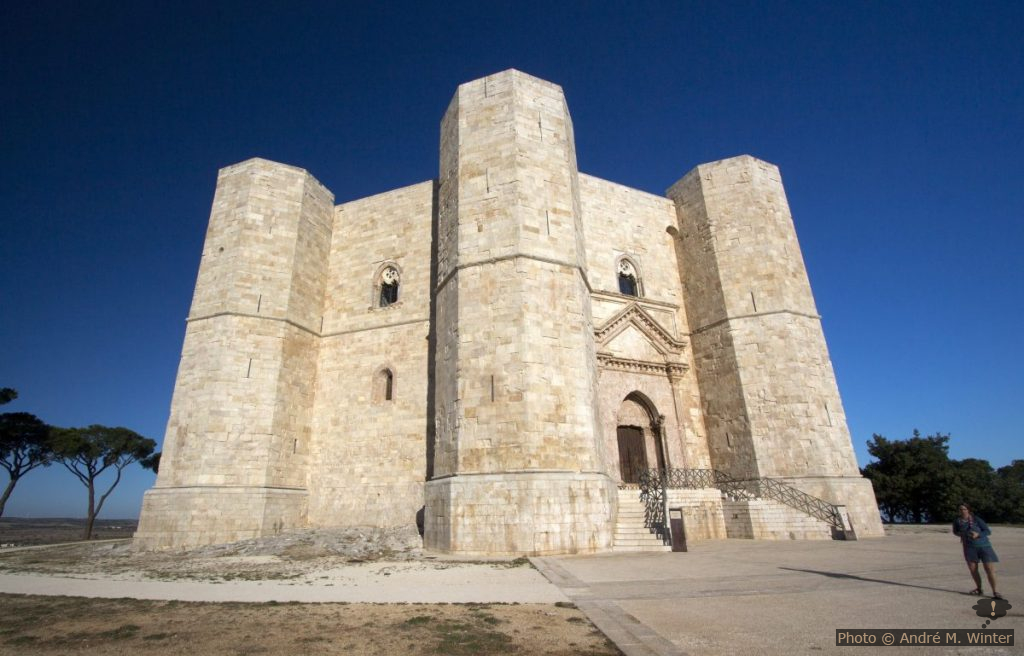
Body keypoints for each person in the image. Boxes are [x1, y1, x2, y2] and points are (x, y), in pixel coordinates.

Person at [952, 503, 1001, 599]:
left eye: (964, 509)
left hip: (984, 546)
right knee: (973, 570)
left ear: (968, 510)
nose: (962, 511)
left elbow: (987, 531)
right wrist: (961, 534)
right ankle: (979, 589)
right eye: (960, 509)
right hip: (969, 547)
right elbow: (955, 531)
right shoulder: (957, 521)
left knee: (989, 570)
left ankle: (995, 591)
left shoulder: (976, 519)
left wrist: (978, 535)